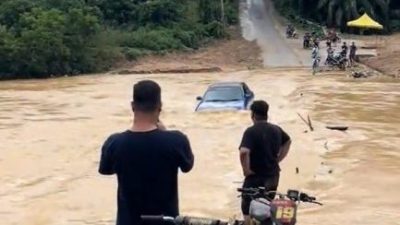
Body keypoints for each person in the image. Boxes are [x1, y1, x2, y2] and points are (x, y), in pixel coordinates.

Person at [99, 80, 194, 225]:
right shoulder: (176, 141)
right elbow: (187, 166)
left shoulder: (114, 143)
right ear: (160, 106)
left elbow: (105, 170)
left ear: (132, 106)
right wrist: (165, 132)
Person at [238, 101, 291, 225]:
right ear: (266, 114)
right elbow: (288, 141)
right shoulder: (276, 129)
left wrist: (246, 170)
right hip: (273, 176)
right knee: (267, 205)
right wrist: (278, 159)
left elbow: (244, 152)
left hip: (255, 176)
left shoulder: (250, 131)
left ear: (253, 115)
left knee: (247, 205)